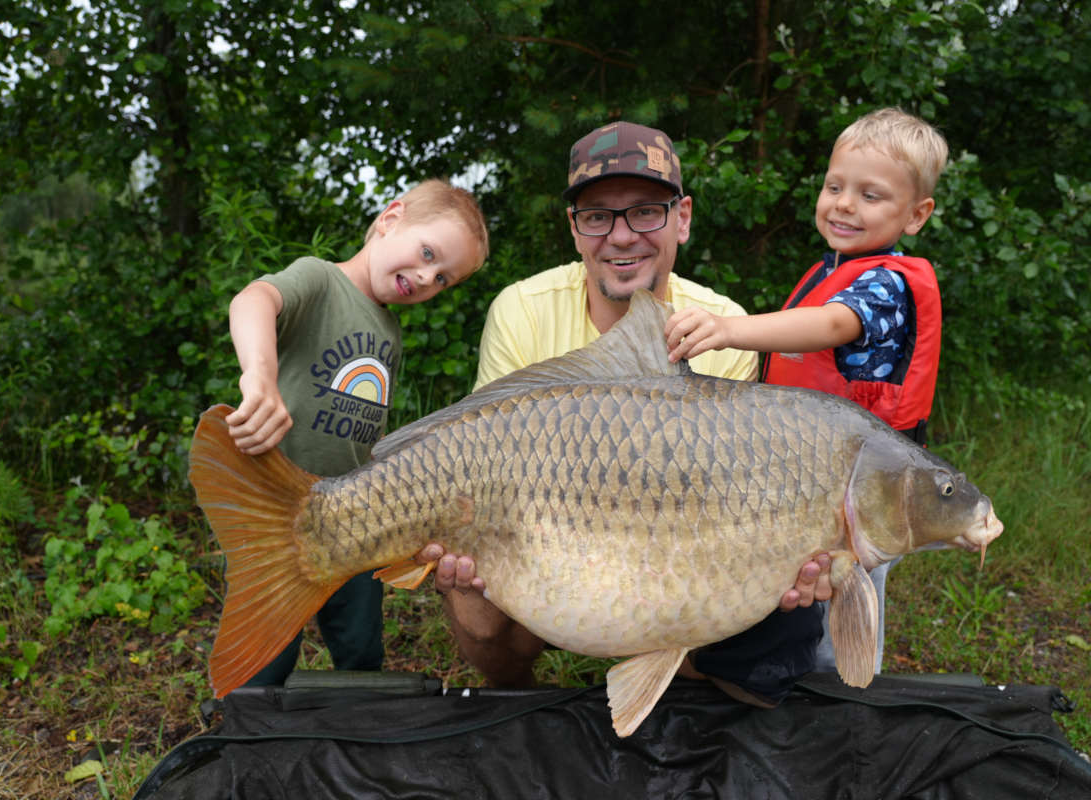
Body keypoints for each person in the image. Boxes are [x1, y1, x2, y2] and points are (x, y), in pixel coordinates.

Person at [419, 121, 834, 703]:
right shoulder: (522, 311)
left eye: (645, 212)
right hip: (542, 540)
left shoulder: (726, 326)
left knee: (771, 618)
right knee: (472, 591)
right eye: (597, 216)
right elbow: (480, 457)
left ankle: (665, 679)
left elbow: (725, 501)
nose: (621, 237)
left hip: (674, 545)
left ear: (682, 218)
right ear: (574, 228)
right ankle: (516, 695)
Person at [664, 107, 949, 674]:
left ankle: (845, 696)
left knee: (844, 599)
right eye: (835, 187)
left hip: (862, 488)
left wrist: (730, 329)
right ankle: (790, 680)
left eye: (870, 195)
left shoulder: (884, 284)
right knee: (801, 593)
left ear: (916, 215)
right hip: (811, 479)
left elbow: (835, 323)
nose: (844, 204)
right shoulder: (833, 270)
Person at [225, 178, 489, 687]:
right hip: (277, 505)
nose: (427, 277)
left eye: (443, 278)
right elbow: (253, 300)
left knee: (361, 644)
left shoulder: (389, 330)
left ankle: (356, 719)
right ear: (390, 219)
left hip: (357, 513)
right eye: (427, 253)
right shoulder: (320, 280)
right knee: (267, 650)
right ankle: (251, 719)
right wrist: (259, 374)